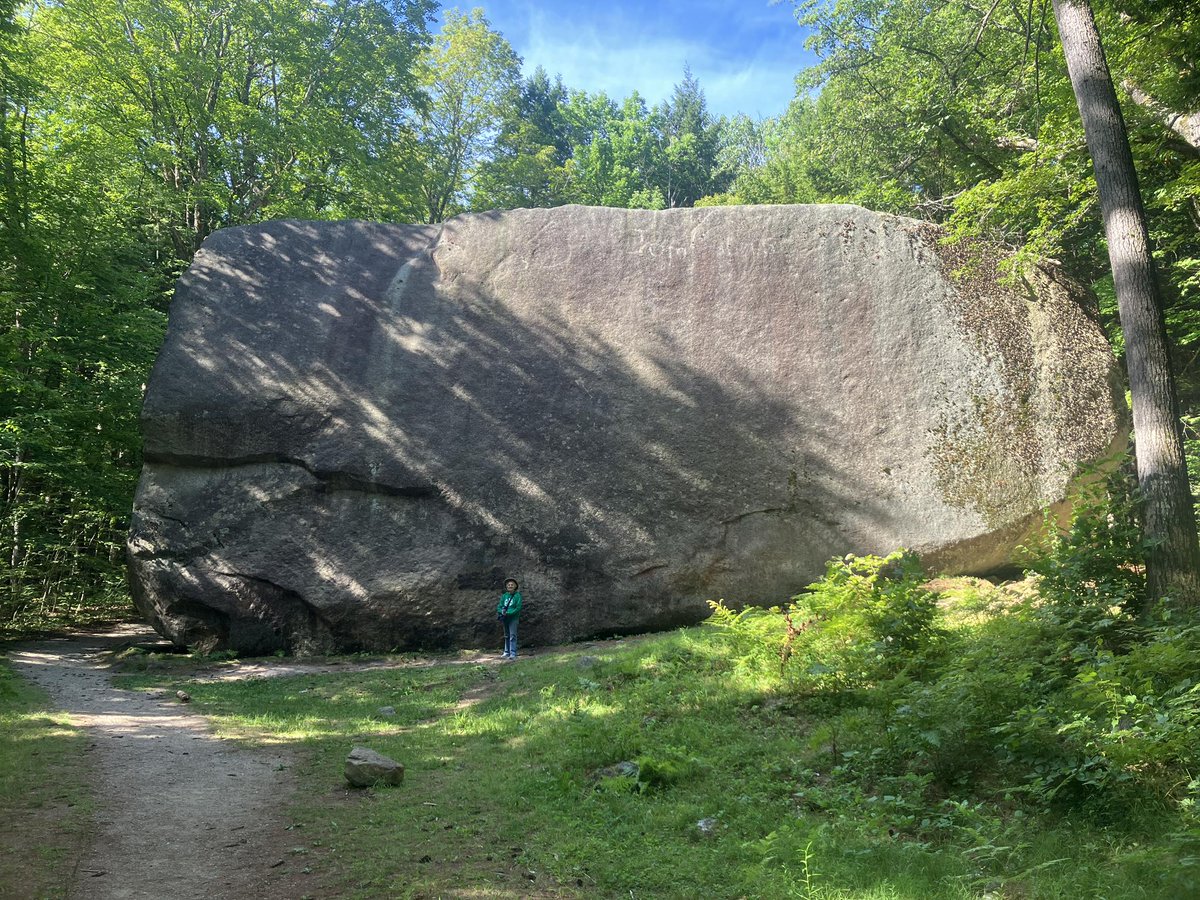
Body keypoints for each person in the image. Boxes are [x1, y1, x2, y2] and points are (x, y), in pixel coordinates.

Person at [496, 578, 523, 659]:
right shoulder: (504, 596)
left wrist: (509, 613)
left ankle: (513, 653)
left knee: (513, 635)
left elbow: (518, 608)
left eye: (512, 585)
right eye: (508, 585)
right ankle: (506, 652)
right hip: (505, 618)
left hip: (513, 618)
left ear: (515, 586)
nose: (510, 586)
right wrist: (501, 611)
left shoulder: (517, 596)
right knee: (506, 635)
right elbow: (499, 606)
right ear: (506, 586)